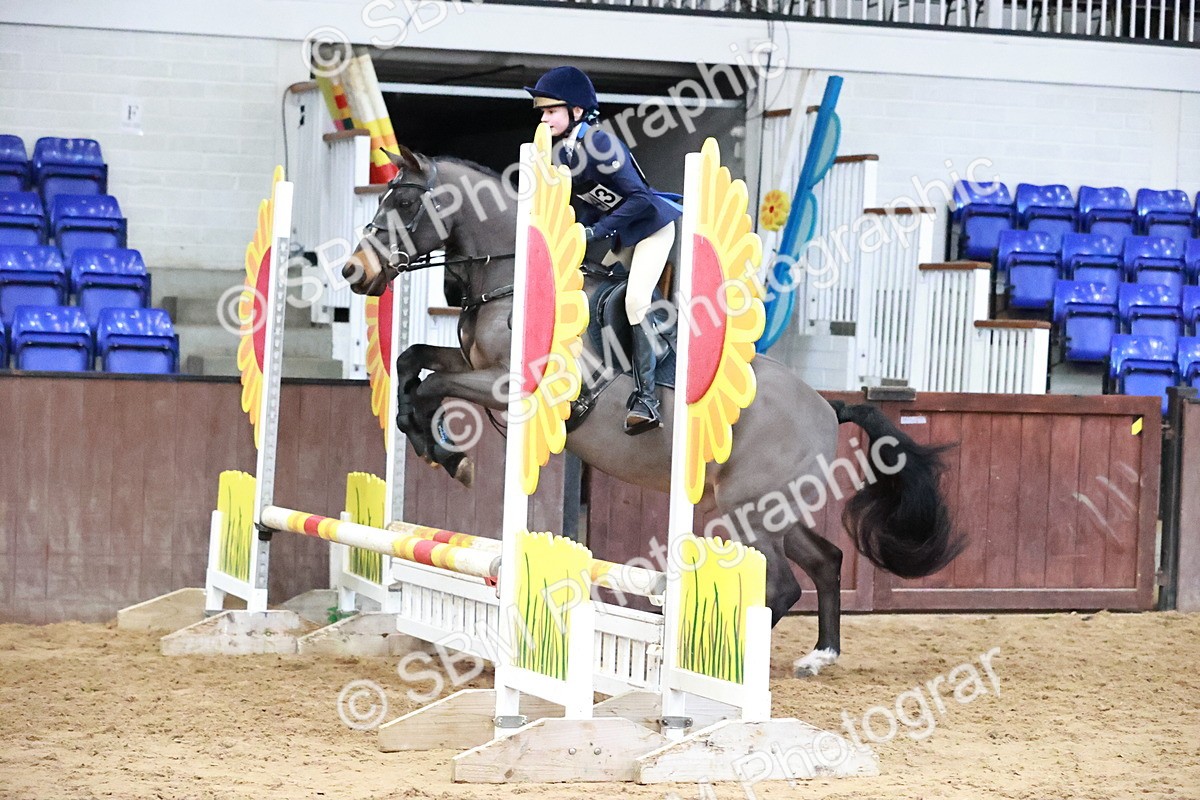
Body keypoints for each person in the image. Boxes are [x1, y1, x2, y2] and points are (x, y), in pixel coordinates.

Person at [525, 66, 682, 435]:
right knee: (586, 289)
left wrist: (596, 231)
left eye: (551, 111)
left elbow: (640, 198)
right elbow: (591, 204)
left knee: (636, 301)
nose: (544, 119)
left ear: (577, 111)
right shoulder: (565, 153)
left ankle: (647, 399)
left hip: (651, 229)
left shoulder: (600, 144)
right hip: (624, 235)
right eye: (543, 112)